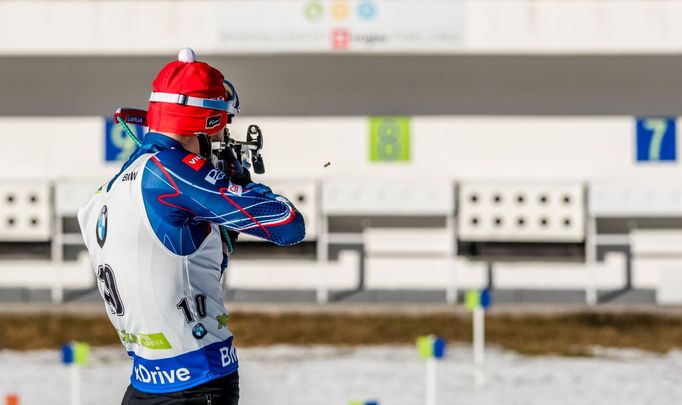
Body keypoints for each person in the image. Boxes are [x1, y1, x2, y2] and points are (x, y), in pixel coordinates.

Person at [78, 48, 306, 405]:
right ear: (207, 122)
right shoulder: (170, 173)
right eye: (220, 129)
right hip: (197, 384)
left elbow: (193, 264)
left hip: (144, 383)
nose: (218, 143)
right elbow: (287, 224)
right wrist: (240, 183)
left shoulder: (111, 188)